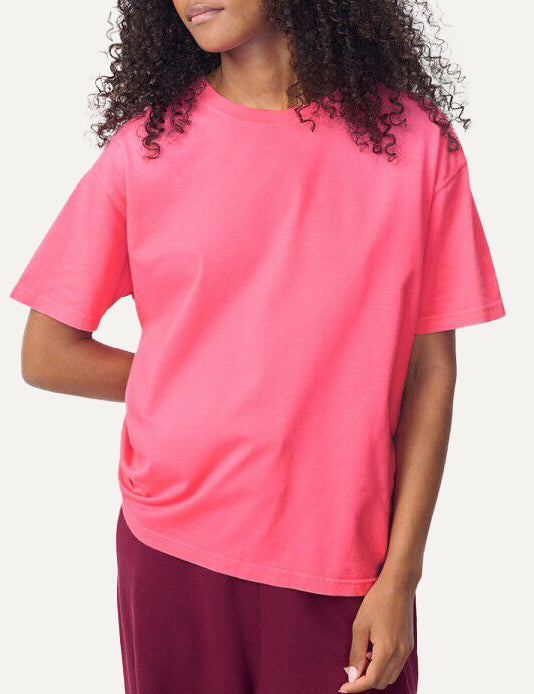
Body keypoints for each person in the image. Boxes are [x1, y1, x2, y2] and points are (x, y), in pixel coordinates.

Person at [10, 1, 506, 692]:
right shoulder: (147, 148)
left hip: (346, 560)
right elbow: (47, 352)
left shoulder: (416, 144)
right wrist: (201, 380)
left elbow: (430, 372)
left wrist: (401, 577)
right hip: (173, 544)